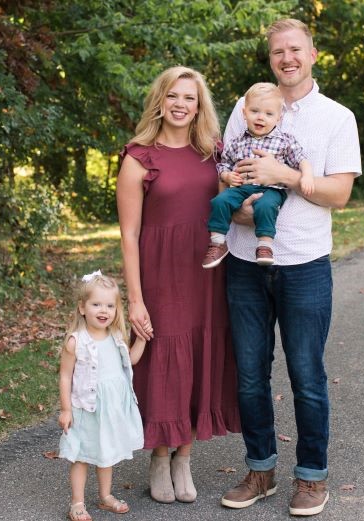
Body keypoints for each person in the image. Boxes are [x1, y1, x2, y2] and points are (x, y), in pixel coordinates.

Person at [220, 19, 362, 516]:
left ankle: (311, 476)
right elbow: (225, 178)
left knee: (306, 374)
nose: (287, 58)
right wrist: (236, 209)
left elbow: (339, 193)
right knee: (250, 376)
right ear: (271, 58)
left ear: (313, 54)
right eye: (278, 51)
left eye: (295, 49)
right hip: (243, 262)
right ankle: (260, 470)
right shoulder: (247, 107)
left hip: (304, 264)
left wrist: (285, 177)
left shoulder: (336, 117)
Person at [116, 66, 240, 505]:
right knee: (165, 354)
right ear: (160, 101)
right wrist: (135, 299)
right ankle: (159, 453)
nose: (181, 104)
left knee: (201, 354)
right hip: (160, 273)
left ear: (199, 105)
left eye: (190, 97)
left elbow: (236, 202)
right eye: (173, 96)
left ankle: (184, 455)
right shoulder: (138, 157)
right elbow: (129, 234)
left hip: (207, 271)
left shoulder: (214, 152)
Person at [58, 270, 146, 521]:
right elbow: (65, 376)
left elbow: (130, 361)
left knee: (106, 452)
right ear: (82, 308)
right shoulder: (76, 341)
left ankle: (105, 496)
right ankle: (77, 502)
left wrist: (141, 340)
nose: (103, 310)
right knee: (82, 455)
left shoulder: (116, 337)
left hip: (111, 408)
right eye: (96, 304)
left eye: (109, 305)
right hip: (86, 408)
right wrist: (65, 409)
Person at [202, 82, 313, 268]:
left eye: (269, 114)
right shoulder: (237, 142)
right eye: (254, 111)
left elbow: (302, 160)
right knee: (220, 201)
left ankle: (265, 245)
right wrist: (228, 177)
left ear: (279, 117)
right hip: (241, 188)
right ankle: (218, 243)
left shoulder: (284, 140)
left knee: (266, 205)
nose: (261, 117)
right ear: (244, 113)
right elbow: (224, 164)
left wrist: (307, 176)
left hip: (271, 189)